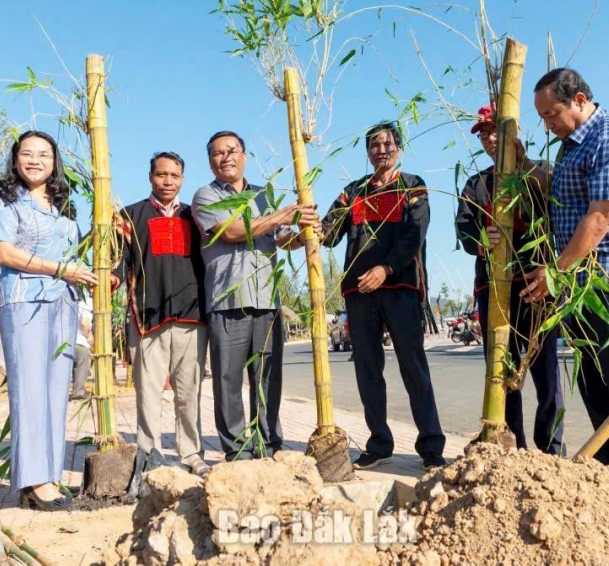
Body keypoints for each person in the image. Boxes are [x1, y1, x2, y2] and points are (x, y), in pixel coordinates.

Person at [519, 68, 609, 465]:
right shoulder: (571, 143)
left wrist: (556, 272)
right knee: (594, 375)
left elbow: (601, 217)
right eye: (543, 117)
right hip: (582, 281)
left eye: (552, 114)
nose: (548, 125)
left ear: (579, 100)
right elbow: (561, 194)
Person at [317, 121, 446, 470]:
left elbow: (414, 233)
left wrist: (386, 268)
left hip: (400, 287)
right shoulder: (353, 191)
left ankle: (431, 446)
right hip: (359, 291)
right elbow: (330, 233)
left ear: (399, 149)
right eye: (374, 145)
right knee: (367, 369)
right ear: (368, 152)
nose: (381, 150)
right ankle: (379, 443)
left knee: (413, 366)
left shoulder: (413, 186)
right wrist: (313, 228)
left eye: (388, 144)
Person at [0, 130, 97, 511]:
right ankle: (31, 480)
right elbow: (5, 254)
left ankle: (48, 475)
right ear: (16, 158)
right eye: (27, 153)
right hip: (24, 303)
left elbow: (76, 253)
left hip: (62, 303)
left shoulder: (63, 206)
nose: (35, 160)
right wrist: (60, 269)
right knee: (29, 390)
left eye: (44, 154)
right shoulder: (5, 200)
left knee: (54, 390)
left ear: (55, 162)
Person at [191, 131, 316, 460]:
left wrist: (304, 233)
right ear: (210, 161)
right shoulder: (205, 196)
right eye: (218, 153)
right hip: (226, 299)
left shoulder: (265, 194)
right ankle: (237, 448)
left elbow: (280, 238)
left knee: (268, 376)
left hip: (266, 299)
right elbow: (232, 231)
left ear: (245, 155)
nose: (226, 157)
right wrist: (283, 215)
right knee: (228, 377)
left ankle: (269, 442)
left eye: (232, 150)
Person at [455, 105, 564, 455]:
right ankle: (512, 443)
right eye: (484, 133)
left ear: (513, 133)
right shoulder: (476, 183)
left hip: (536, 284)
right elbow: (465, 230)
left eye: (495, 131)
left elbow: (559, 217)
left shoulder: (541, 173)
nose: (489, 139)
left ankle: (551, 446)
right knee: (503, 369)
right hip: (494, 287)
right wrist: (484, 241)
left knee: (546, 367)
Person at [116, 151, 210, 476]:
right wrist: (110, 279)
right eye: (161, 174)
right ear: (150, 177)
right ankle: (148, 455)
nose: (167, 181)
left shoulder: (196, 218)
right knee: (148, 393)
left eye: (174, 175)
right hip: (148, 316)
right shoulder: (128, 217)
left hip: (192, 317)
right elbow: (119, 263)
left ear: (182, 179)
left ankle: (191, 454)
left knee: (189, 392)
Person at [70, 296, 93, 400]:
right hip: (80, 341)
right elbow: (84, 323)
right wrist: (89, 335)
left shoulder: (70, 302)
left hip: (66, 342)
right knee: (81, 367)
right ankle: (78, 391)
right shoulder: (85, 304)